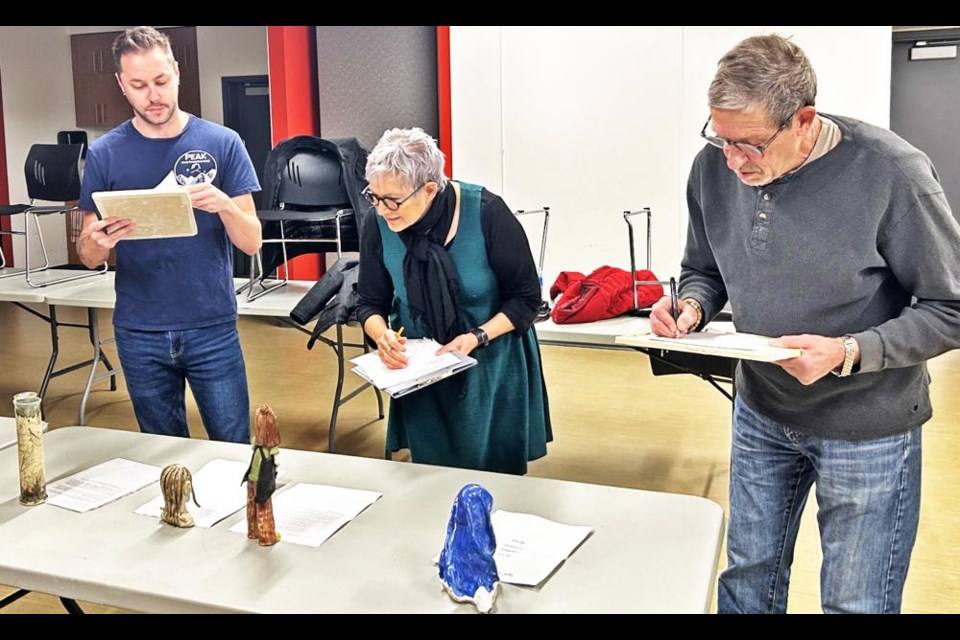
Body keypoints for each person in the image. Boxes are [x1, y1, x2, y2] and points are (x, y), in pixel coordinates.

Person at [651, 34, 960, 614]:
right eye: (720, 140)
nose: (733, 161)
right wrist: (690, 306)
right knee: (747, 582)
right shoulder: (713, 170)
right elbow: (704, 269)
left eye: (750, 145)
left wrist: (848, 351)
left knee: (856, 600)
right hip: (762, 410)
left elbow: (951, 308)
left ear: (805, 121)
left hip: (869, 426)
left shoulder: (893, 174)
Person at [77, 26, 262, 443]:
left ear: (177, 73)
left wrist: (225, 205)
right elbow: (87, 254)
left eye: (160, 82)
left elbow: (252, 241)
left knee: (233, 449)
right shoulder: (105, 152)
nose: (153, 95)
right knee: (161, 454)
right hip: (139, 329)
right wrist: (98, 241)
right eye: (139, 85)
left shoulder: (223, 142)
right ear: (122, 86)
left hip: (211, 325)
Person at [357, 127, 551, 474]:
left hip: (490, 363)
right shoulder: (378, 222)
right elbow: (370, 301)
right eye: (374, 196)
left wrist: (476, 336)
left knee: (497, 482)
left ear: (429, 189)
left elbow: (525, 299)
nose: (383, 210)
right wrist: (381, 335)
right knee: (428, 479)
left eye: (393, 200)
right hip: (422, 370)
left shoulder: (487, 212)